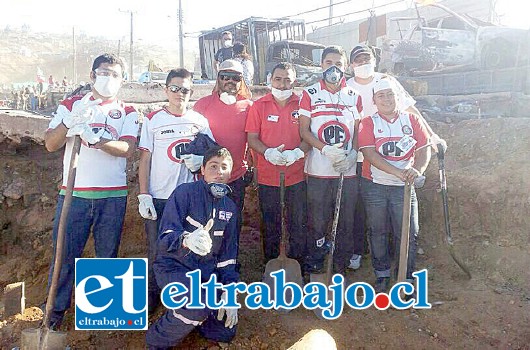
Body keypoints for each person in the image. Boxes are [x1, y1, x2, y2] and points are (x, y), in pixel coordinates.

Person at [43, 53, 138, 329]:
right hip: (75, 195)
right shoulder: (71, 104)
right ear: (92, 75)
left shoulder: (127, 111)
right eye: (103, 72)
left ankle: (101, 316)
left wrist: (97, 140)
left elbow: (128, 149)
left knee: (106, 255)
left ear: (122, 80)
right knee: (64, 255)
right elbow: (50, 143)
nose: (108, 78)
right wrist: (69, 123)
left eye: (114, 74)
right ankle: (54, 315)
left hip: (113, 195)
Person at [346, 44, 446, 270]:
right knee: (370, 220)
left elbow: (412, 113)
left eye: (367, 59)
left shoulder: (388, 82)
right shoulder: (347, 87)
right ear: (351, 65)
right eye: (358, 60)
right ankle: (372, 263)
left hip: (400, 177)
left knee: (405, 228)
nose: (363, 64)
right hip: (365, 163)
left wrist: (432, 136)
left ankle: (403, 270)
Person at [146, 147, 240, 349]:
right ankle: (156, 339)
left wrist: (229, 293)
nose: (219, 172)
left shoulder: (230, 209)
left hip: (205, 276)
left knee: (225, 329)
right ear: (203, 170)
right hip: (174, 268)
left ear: (230, 174)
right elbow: (164, 238)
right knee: (196, 308)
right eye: (213, 166)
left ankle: (190, 317)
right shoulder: (185, 193)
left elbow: (228, 258)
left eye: (224, 167)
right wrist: (186, 239)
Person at [137, 68, 214, 314]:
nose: (180, 94)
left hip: (189, 199)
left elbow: (212, 153)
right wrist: (143, 194)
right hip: (159, 197)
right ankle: (153, 298)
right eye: (175, 88)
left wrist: (201, 159)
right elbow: (145, 159)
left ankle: (182, 298)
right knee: (157, 248)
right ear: (166, 90)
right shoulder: (153, 120)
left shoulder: (199, 121)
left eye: (185, 90)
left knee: (188, 248)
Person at [358, 77, 431, 293]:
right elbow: (369, 153)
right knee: (378, 230)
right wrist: (398, 172)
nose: (387, 99)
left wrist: (418, 169)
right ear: (374, 100)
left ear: (398, 97)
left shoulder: (412, 120)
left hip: (404, 187)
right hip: (375, 185)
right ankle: (382, 274)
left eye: (390, 94)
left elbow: (423, 148)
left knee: (408, 232)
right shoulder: (369, 123)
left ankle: (405, 277)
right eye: (381, 95)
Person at [299, 45, 363, 275]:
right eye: (328, 63)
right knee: (317, 218)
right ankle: (316, 258)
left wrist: (354, 154)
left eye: (338, 63)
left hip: (347, 170)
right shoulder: (310, 93)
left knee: (345, 218)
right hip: (319, 169)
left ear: (345, 67)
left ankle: (340, 261)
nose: (333, 68)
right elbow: (304, 131)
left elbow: (357, 131)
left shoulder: (354, 96)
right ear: (321, 65)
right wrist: (325, 149)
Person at [245, 62, 309, 271]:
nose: (282, 84)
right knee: (271, 223)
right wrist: (268, 152)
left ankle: (298, 263)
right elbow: (252, 138)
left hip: (296, 175)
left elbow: (308, 137)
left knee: (297, 222)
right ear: (270, 80)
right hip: (268, 176)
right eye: (278, 79)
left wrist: (297, 152)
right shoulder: (259, 106)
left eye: (287, 80)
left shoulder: (302, 105)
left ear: (294, 81)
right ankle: (271, 263)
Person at [193, 59, 252, 218]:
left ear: (242, 81)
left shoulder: (249, 107)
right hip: (206, 179)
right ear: (218, 79)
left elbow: (253, 142)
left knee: (232, 226)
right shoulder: (202, 105)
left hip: (235, 178)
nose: (230, 81)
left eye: (236, 77)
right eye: (225, 76)